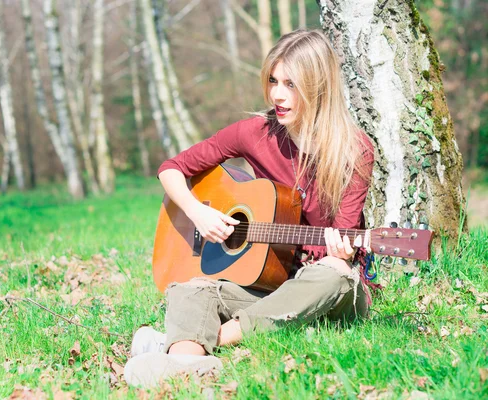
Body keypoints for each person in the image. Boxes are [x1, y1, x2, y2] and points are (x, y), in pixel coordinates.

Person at [124, 29, 376, 388]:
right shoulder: (255, 133)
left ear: (319, 86)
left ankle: (178, 348)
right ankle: (190, 365)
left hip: (328, 292)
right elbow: (172, 169)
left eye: (291, 84)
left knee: (332, 272)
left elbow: (342, 253)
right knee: (191, 287)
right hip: (269, 282)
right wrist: (199, 213)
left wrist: (342, 253)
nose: (276, 94)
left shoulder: (354, 149)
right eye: (273, 79)